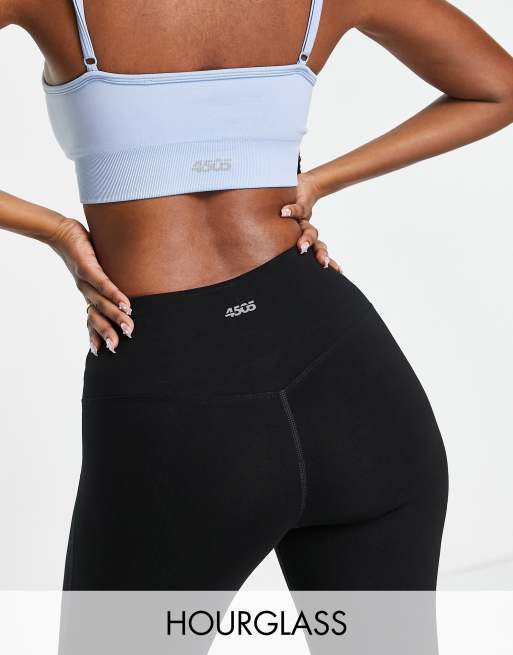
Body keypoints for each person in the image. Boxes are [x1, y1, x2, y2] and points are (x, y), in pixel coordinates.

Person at [1, 0, 512, 596]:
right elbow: (496, 89)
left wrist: (58, 231)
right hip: (349, 378)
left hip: (173, 387)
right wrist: (317, 181)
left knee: (114, 635)